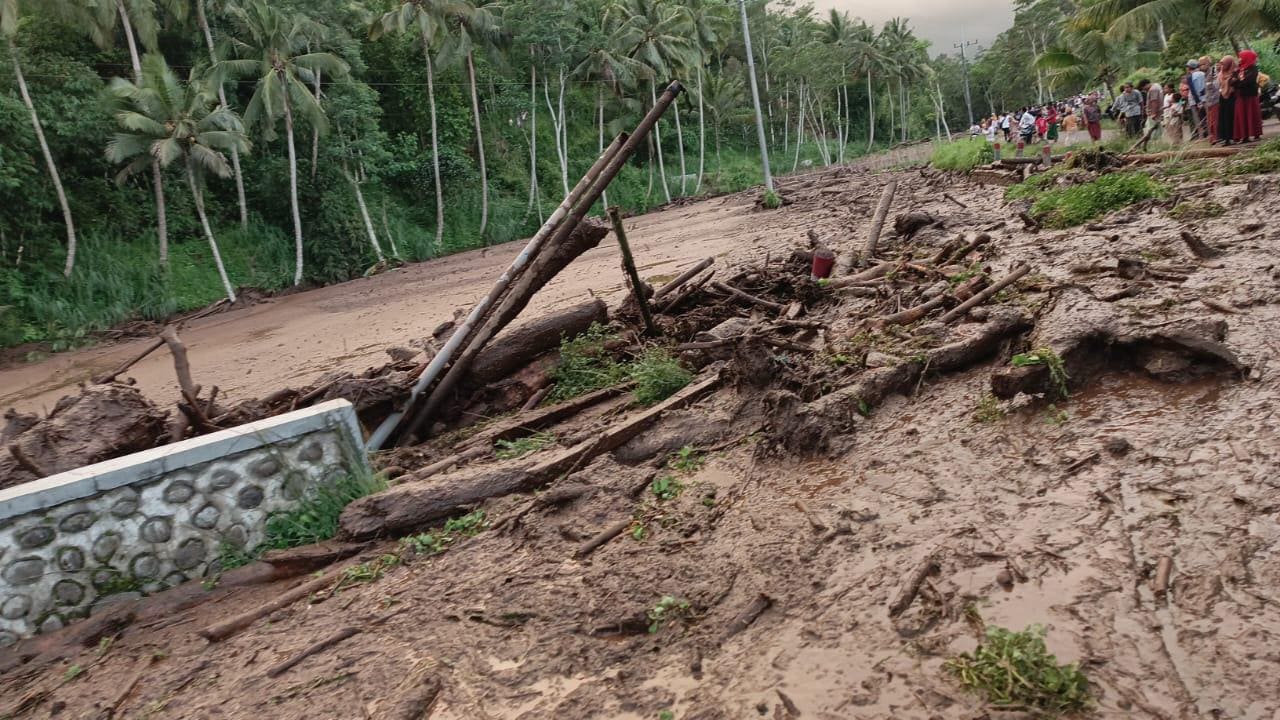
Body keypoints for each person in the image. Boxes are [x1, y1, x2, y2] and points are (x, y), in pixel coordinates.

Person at [1235, 49, 1263, 143]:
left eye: (1241, 57)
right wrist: (1238, 82)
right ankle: (1244, 136)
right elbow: (1234, 80)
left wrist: (1238, 83)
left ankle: (1256, 133)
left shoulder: (1253, 68)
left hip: (1250, 95)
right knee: (1243, 116)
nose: (1239, 59)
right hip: (1241, 96)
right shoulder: (1239, 69)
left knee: (1252, 114)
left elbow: (1248, 81)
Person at [1184, 59, 1206, 139]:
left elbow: (1193, 90)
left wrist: (1198, 102)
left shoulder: (1190, 76)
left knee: (1197, 118)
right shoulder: (1203, 74)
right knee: (1207, 117)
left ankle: (1201, 135)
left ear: (1190, 67)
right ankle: (1211, 133)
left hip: (1194, 100)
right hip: (1205, 98)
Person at [1218, 55, 1237, 146]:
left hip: (1232, 97)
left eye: (1224, 64)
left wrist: (1229, 82)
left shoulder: (1235, 72)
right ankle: (1226, 139)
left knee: (1232, 117)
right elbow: (1220, 84)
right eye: (1221, 64)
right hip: (1223, 97)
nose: (1222, 66)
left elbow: (1236, 83)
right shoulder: (1221, 73)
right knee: (1224, 118)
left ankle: (1234, 137)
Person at [1201, 55, 1220, 141]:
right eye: (1200, 65)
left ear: (1208, 63)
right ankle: (1212, 137)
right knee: (1210, 120)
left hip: (1215, 98)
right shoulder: (1204, 74)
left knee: (1215, 119)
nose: (1201, 67)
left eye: (1203, 64)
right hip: (1208, 99)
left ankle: (1217, 136)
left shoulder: (1213, 71)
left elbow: (1216, 84)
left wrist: (1209, 85)